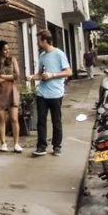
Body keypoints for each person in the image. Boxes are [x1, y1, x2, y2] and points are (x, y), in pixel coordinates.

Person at [28, 29, 72, 157]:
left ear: (45, 40)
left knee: (56, 122)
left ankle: (57, 146)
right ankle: (41, 147)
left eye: (38, 40)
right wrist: (32, 77)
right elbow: (40, 74)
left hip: (56, 94)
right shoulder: (42, 56)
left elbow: (69, 72)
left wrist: (52, 75)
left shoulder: (59, 54)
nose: (37, 43)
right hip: (42, 93)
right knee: (41, 122)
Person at [0, 40, 22, 153]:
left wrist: (3, 76)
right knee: (1, 119)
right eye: (5, 49)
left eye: (8, 49)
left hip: (11, 92)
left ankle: (16, 144)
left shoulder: (13, 60)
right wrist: (10, 77)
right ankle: (3, 143)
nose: (7, 51)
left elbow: (17, 75)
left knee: (14, 118)